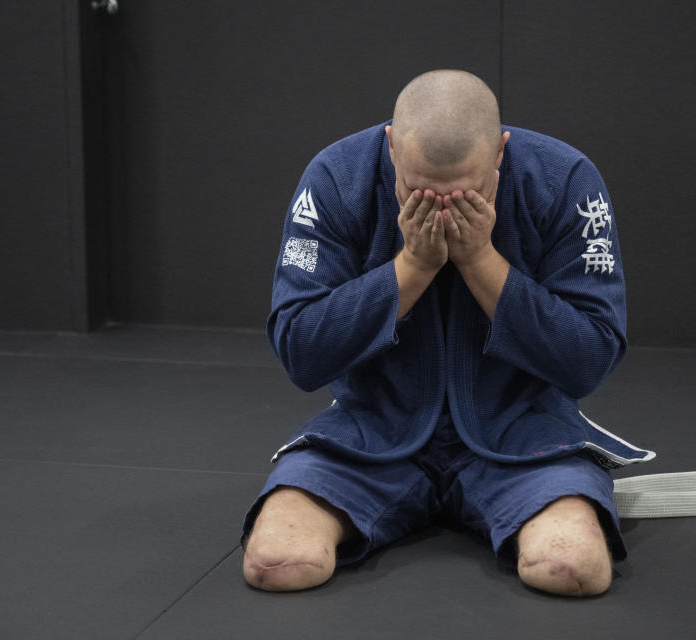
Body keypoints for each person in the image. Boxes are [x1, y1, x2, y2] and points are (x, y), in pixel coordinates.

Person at [241, 69, 653, 597]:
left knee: (570, 568)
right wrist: (411, 267)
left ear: (500, 153)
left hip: (521, 432)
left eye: (467, 192)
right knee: (279, 562)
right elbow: (301, 351)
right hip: (375, 429)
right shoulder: (336, 177)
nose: (440, 208)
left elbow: (590, 357)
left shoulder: (564, 178)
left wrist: (480, 259)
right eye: (418, 190)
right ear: (391, 147)